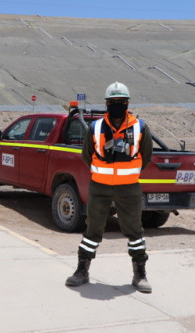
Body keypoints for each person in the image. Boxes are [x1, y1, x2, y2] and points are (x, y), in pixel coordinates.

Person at [65, 82, 153, 293]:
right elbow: (87, 156)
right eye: (113, 102)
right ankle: (82, 270)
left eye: (120, 102)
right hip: (100, 188)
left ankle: (140, 275)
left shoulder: (140, 127)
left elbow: (146, 157)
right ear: (106, 104)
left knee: (135, 231)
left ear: (127, 103)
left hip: (129, 189)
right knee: (92, 230)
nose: (116, 106)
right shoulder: (95, 128)